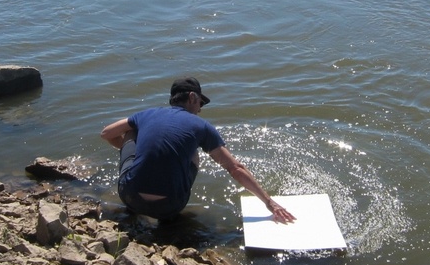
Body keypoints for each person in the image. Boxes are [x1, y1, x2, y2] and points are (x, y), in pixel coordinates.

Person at [101, 77, 296, 224]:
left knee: (131, 131)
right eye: (200, 103)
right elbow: (235, 168)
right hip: (170, 207)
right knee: (192, 150)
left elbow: (107, 133)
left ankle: (136, 205)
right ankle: (167, 219)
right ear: (192, 97)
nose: (200, 110)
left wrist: (136, 151)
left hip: (128, 197)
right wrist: (269, 202)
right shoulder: (201, 125)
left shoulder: (147, 114)